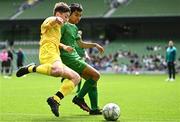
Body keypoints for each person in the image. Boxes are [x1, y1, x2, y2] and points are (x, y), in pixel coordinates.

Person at [16, 2, 81, 117]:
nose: (66, 20)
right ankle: (30, 68)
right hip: (47, 51)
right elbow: (48, 23)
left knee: (76, 77)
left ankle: (55, 99)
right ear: (58, 13)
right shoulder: (51, 19)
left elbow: (54, 39)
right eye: (65, 17)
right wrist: (56, 19)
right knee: (57, 71)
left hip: (55, 53)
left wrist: (64, 46)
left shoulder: (58, 27)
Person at [60, 3, 104, 115]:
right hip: (68, 59)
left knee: (92, 80)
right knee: (96, 75)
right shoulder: (63, 25)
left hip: (75, 57)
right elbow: (55, 41)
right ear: (69, 14)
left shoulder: (74, 28)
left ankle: (94, 109)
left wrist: (95, 45)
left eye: (80, 15)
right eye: (76, 15)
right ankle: (79, 98)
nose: (78, 18)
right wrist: (64, 47)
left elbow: (81, 44)